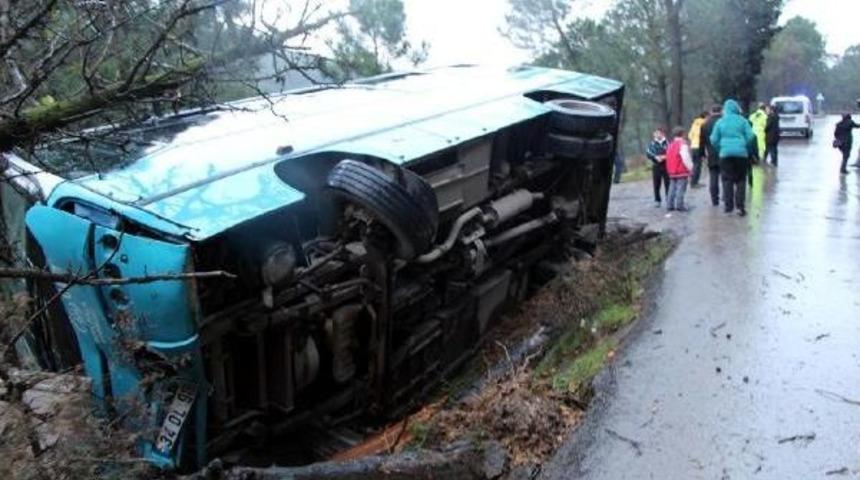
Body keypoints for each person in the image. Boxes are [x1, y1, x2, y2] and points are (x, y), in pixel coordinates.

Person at [710, 99, 754, 217]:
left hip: (725, 154)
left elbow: (713, 139)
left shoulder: (720, 122)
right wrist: (744, 145)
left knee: (727, 180)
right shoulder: (743, 121)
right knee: (741, 180)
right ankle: (740, 207)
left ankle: (728, 208)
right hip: (741, 155)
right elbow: (751, 136)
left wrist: (720, 148)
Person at [666, 127, 694, 211]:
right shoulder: (683, 144)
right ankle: (679, 205)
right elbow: (685, 157)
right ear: (683, 134)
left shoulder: (670, 145)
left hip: (671, 170)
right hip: (681, 170)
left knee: (672, 188)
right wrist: (691, 167)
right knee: (680, 188)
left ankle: (669, 204)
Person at [700, 104, 722, 207]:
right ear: (721, 111)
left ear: (711, 111)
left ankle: (715, 200)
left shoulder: (705, 124)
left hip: (711, 153)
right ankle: (727, 197)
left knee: (713, 176)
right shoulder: (724, 122)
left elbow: (702, 141)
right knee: (726, 177)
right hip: (723, 152)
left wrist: (702, 154)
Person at [646, 128, 669, 207]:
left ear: (662, 134)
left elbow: (670, 152)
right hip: (656, 165)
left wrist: (665, 157)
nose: (656, 134)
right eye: (655, 133)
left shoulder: (667, 142)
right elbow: (648, 153)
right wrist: (656, 157)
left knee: (668, 183)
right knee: (656, 184)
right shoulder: (652, 144)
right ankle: (657, 200)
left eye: (658, 133)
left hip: (666, 165)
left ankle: (668, 198)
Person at [688, 112, 707, 187]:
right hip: (699, 146)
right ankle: (694, 183)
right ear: (705, 116)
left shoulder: (694, 123)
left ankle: (694, 181)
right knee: (698, 165)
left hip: (693, 146)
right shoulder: (703, 123)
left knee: (695, 164)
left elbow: (690, 135)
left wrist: (693, 141)